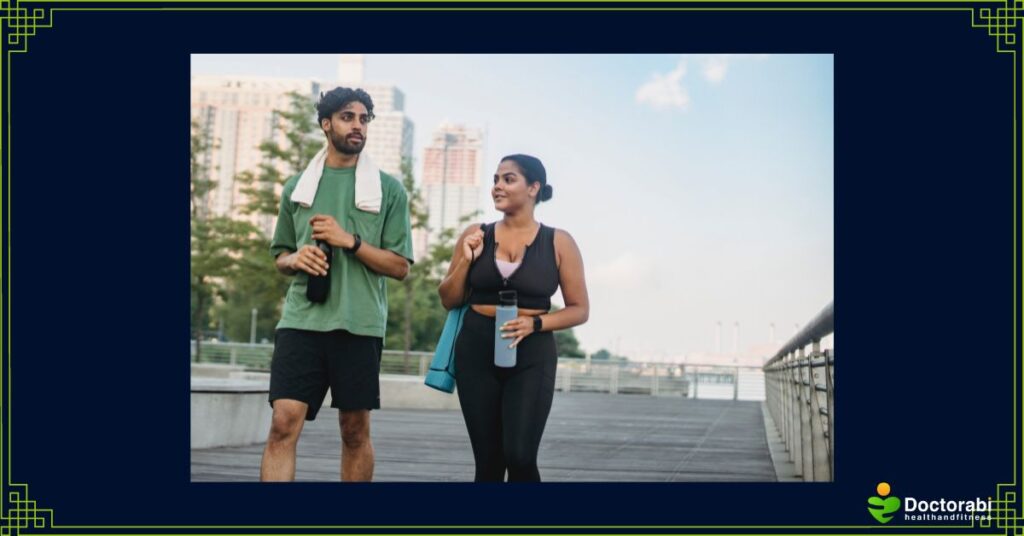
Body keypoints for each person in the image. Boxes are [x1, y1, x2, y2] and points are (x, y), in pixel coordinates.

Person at [259, 87, 414, 482]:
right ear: (326, 124)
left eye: (364, 118)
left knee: (354, 430)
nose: (358, 125)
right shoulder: (297, 187)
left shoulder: (389, 189)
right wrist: (295, 258)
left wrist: (352, 241)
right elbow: (280, 255)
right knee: (282, 423)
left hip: (358, 324)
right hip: (301, 322)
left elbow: (399, 267)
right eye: (348, 117)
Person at [438, 154, 589, 482]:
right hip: (476, 347)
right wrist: (467, 260)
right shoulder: (475, 233)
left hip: (532, 352)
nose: (497, 187)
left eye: (508, 179)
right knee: (488, 463)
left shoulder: (558, 241)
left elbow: (579, 309)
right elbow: (448, 299)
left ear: (534, 187)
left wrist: (536, 324)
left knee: (520, 456)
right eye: (495, 179)